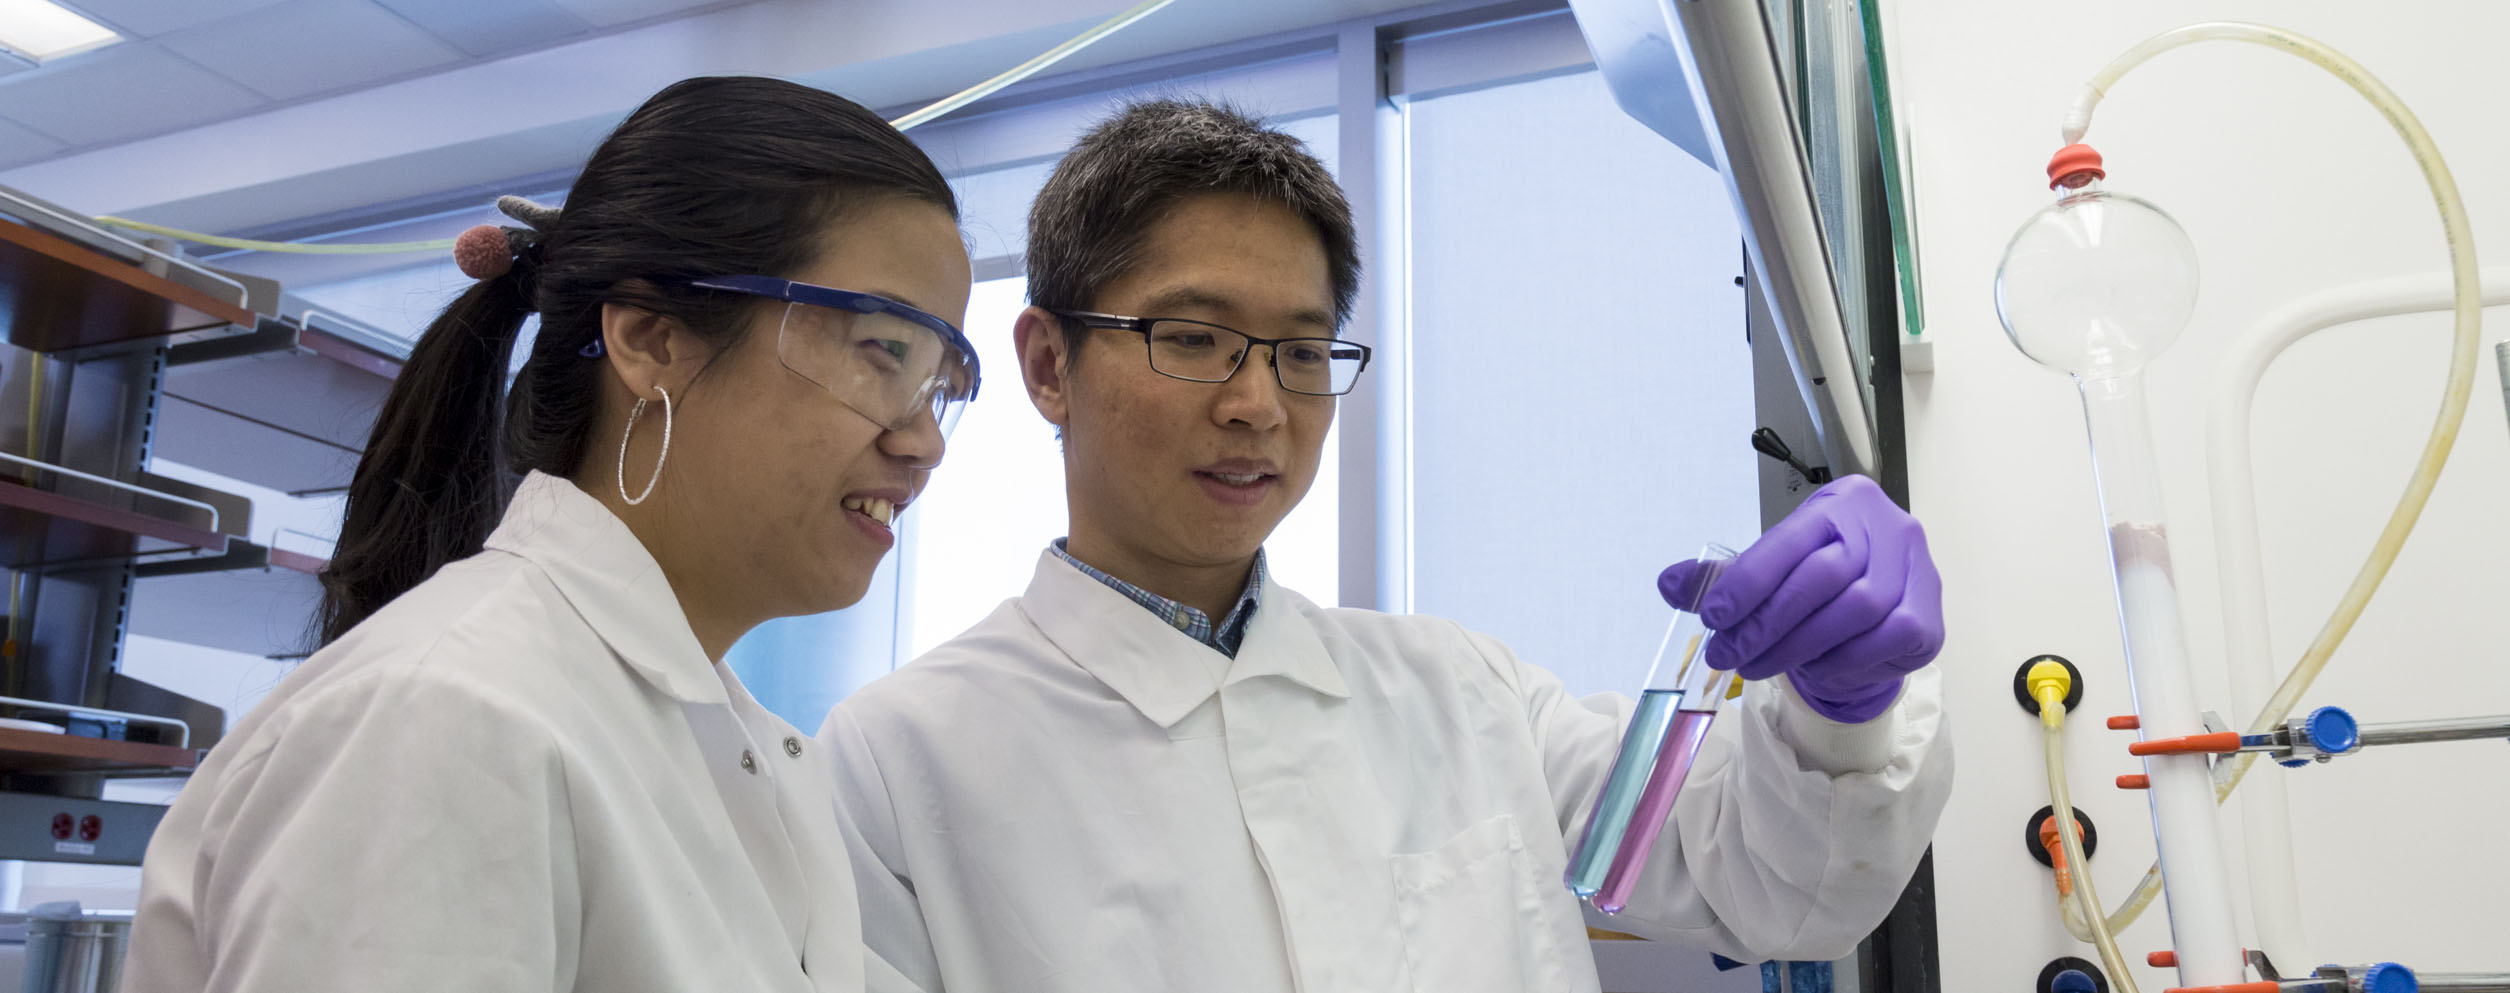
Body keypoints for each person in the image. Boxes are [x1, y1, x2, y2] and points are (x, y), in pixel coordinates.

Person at [818, 100, 1953, 993]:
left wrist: (1838, 712)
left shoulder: (1461, 692)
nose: (1258, 405)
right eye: (1195, 337)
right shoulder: (893, 761)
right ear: (1048, 363)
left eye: (1302, 354)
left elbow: (1768, 884)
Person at [125, 76, 977, 993]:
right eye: (884, 352)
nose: (922, 440)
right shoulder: (453, 716)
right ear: (651, 339)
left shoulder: (736, 749)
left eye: (938, 385)